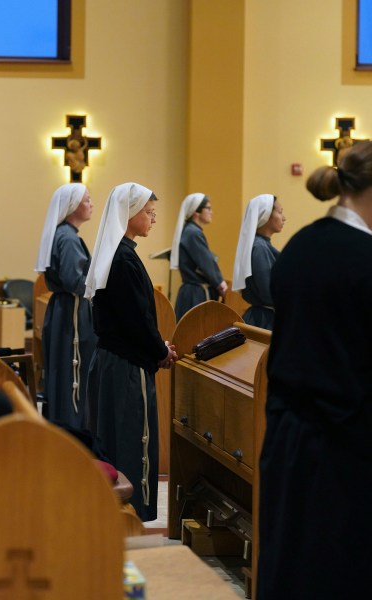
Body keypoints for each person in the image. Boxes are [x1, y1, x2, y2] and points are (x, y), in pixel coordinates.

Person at [257, 141, 372, 599]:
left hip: (289, 439)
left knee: (291, 564)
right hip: (346, 447)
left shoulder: (302, 244)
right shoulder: (361, 257)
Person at [85, 182, 177, 521]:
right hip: (126, 366)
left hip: (112, 360)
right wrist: (160, 350)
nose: (153, 218)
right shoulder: (123, 258)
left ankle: (117, 516)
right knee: (130, 439)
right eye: (149, 212)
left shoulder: (118, 252)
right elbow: (137, 319)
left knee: (112, 436)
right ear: (129, 213)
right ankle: (131, 517)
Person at [35, 183, 97, 428]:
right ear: (73, 207)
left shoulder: (63, 234)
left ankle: (65, 424)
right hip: (73, 310)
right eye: (87, 200)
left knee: (63, 368)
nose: (92, 204)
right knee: (74, 368)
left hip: (64, 308)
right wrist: (99, 285)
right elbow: (74, 281)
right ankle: (74, 427)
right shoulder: (68, 238)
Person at [232, 194, 285, 330]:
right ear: (266, 215)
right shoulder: (260, 247)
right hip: (265, 321)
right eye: (280, 212)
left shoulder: (261, 245)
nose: (284, 218)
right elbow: (268, 291)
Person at [170, 193, 227, 320]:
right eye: (209, 208)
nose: (212, 212)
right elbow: (206, 263)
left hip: (191, 292)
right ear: (196, 212)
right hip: (195, 294)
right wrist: (220, 283)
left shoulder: (191, 231)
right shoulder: (193, 233)